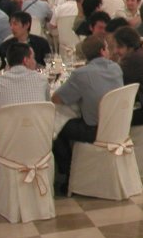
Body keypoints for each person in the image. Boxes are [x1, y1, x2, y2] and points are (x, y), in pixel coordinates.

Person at [51, 35, 124, 193]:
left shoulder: (81, 74)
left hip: (95, 130)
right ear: (102, 51)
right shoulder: (116, 68)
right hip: (119, 126)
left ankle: (67, 173)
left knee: (55, 127)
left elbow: (57, 99)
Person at [0, 42, 50, 176]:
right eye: (33, 58)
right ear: (26, 60)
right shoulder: (43, 80)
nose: (35, 61)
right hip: (39, 142)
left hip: (7, 146)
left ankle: (3, 178)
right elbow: (46, 105)